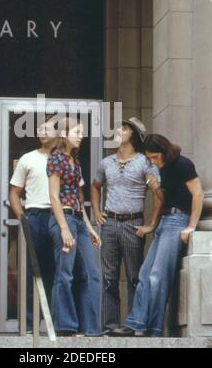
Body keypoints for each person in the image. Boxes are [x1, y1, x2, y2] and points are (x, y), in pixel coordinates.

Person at [124, 134, 203, 337]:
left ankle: (154, 329)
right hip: (165, 221)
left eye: (154, 157)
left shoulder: (183, 164)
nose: (152, 161)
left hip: (178, 220)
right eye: (149, 158)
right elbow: (164, 198)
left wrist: (191, 226)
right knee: (144, 275)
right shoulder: (162, 168)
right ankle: (137, 324)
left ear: (164, 151)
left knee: (157, 276)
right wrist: (152, 222)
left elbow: (198, 194)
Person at [91, 117, 162, 335]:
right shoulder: (106, 163)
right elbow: (95, 187)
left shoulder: (145, 162)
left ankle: (133, 325)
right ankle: (110, 325)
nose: (118, 130)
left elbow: (159, 194)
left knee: (135, 277)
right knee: (109, 278)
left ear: (134, 135)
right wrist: (96, 211)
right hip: (110, 223)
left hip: (134, 224)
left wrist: (151, 224)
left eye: (124, 128)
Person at [47, 116, 102, 336]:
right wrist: (63, 228)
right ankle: (65, 326)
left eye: (81, 132)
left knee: (91, 274)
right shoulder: (56, 159)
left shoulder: (75, 161)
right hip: (64, 219)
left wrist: (89, 228)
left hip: (78, 219)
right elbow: (53, 196)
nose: (81, 136)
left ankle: (91, 328)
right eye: (76, 132)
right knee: (65, 274)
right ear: (63, 134)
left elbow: (79, 200)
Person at [9, 115, 58, 331]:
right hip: (35, 217)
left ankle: (56, 323)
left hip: (59, 217)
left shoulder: (65, 159)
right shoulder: (27, 158)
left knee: (58, 271)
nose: (42, 132)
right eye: (39, 128)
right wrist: (23, 218)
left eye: (47, 128)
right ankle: (30, 323)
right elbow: (14, 193)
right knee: (32, 271)